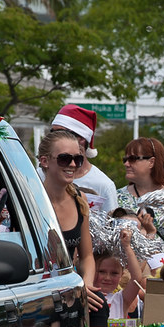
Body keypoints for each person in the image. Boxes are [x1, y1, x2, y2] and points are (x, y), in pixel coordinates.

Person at [36, 130, 103, 312]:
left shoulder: (79, 198)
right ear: (45, 161)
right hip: (40, 291)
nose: (73, 165)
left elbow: (87, 256)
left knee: (99, 305)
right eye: (65, 159)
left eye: (78, 159)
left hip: (71, 287)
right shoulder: (31, 201)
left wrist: (85, 286)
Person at [46, 104, 118, 216]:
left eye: (61, 133)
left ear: (82, 139)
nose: (54, 138)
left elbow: (111, 227)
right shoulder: (39, 175)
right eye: (52, 132)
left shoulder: (103, 185)